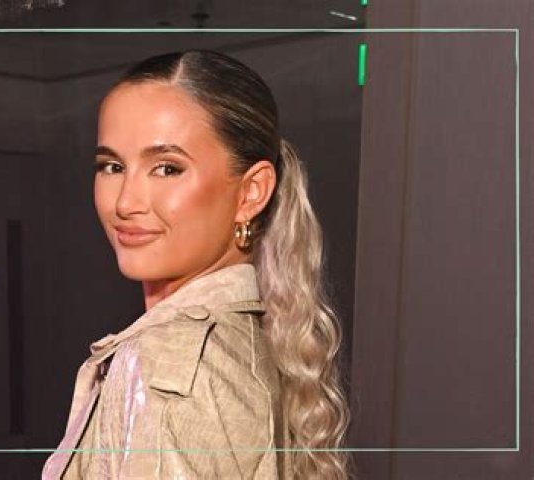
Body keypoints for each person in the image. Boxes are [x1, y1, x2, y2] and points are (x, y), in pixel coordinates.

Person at [42, 49, 350, 479]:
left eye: (167, 169)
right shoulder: (247, 339)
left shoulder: (165, 370)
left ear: (251, 192)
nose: (125, 202)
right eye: (112, 166)